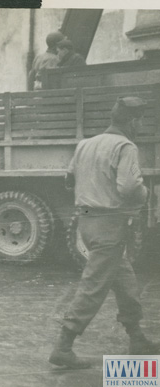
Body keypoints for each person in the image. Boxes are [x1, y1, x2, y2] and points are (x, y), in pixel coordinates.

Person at [48, 97, 159, 369]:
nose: (140, 125)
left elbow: (68, 179)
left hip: (87, 222)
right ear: (132, 121)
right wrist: (146, 195)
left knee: (124, 278)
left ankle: (137, 339)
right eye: (140, 120)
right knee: (93, 286)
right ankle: (63, 347)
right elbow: (130, 188)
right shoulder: (125, 146)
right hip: (110, 225)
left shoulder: (86, 144)